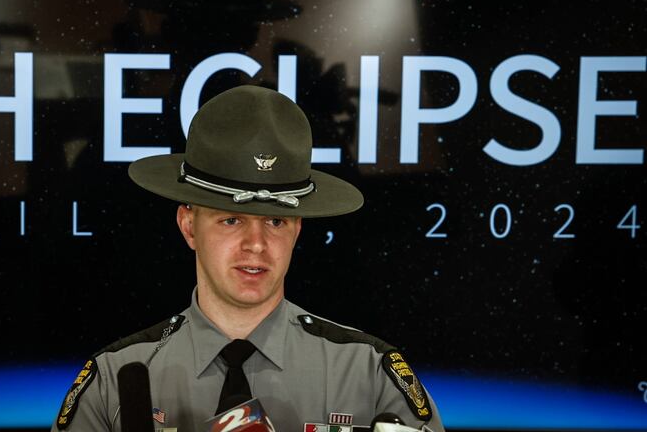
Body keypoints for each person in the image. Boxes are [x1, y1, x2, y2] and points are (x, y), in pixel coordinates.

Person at [52, 85, 444, 431]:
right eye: (231, 220)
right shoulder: (113, 380)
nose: (256, 244)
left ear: (297, 230)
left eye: (275, 221)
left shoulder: (369, 376)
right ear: (189, 227)